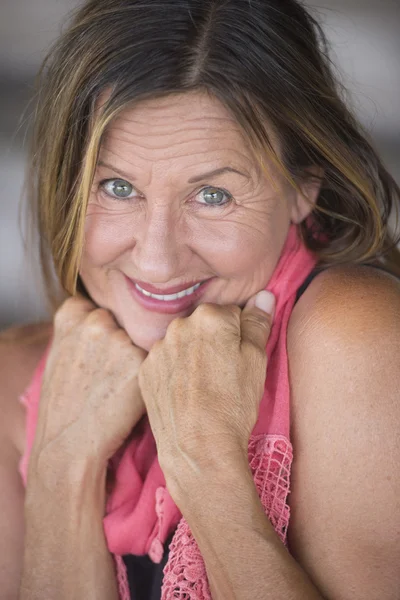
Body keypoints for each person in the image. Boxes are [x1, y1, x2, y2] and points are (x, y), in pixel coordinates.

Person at [1, 0, 400, 598]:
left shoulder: (353, 337)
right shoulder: (16, 379)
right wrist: (64, 469)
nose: (158, 260)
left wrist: (208, 465)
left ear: (302, 191)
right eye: (117, 187)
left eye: (212, 195)